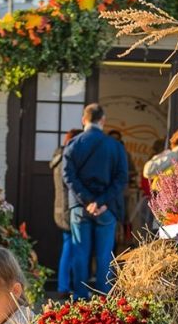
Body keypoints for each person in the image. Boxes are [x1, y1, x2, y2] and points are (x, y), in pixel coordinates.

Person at [62, 104, 128, 298]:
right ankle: (102, 298)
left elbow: (68, 176)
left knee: (80, 254)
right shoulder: (115, 146)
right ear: (103, 121)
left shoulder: (73, 144)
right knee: (104, 255)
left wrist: (87, 200)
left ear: (84, 120)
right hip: (106, 209)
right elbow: (121, 178)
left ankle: (80, 299)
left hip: (80, 207)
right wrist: (101, 201)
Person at [50, 128, 83, 299]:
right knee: (72, 248)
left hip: (60, 207)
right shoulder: (68, 158)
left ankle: (64, 285)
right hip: (69, 207)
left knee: (68, 246)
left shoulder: (58, 156)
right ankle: (65, 286)